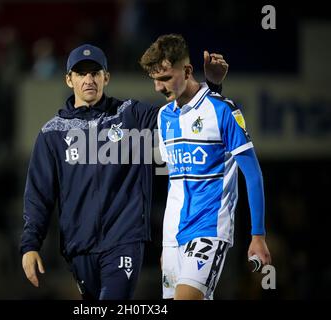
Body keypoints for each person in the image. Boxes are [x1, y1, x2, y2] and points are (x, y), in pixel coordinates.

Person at [20, 43, 228, 300]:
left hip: (124, 240)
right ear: (68, 79)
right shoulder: (52, 134)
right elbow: (39, 195)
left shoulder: (131, 115)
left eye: (95, 73)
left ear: (106, 77)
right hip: (78, 247)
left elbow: (184, 118)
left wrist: (212, 87)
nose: (88, 79)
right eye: (81, 73)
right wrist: (30, 245)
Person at [139, 34, 271, 300]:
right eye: (154, 79)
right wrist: (169, 243)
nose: (157, 87)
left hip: (209, 229)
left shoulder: (223, 111)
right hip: (173, 235)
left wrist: (258, 234)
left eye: (164, 78)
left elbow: (253, 175)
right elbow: (175, 180)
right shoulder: (164, 116)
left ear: (187, 70)